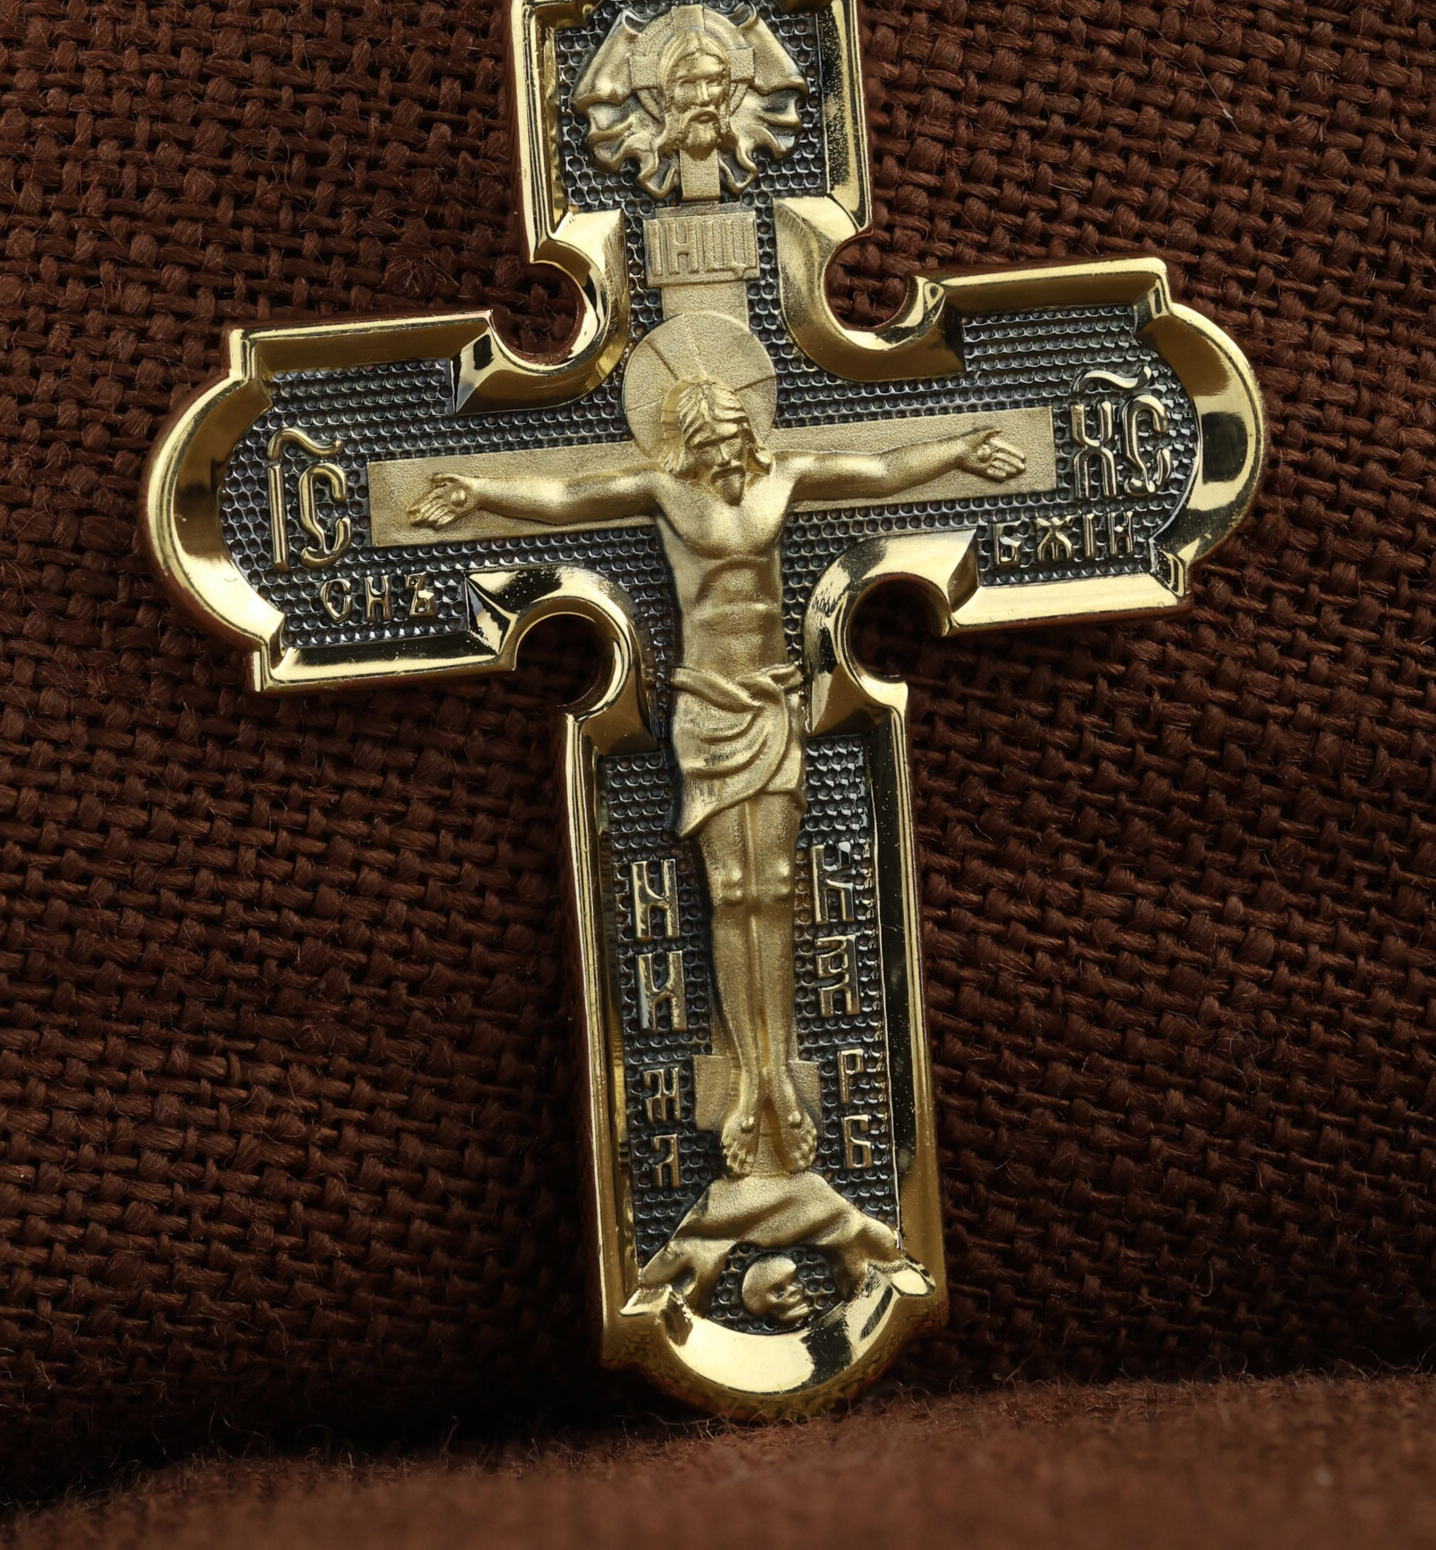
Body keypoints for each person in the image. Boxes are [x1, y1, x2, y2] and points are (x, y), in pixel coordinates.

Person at [405, 378, 1025, 1179]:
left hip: (770, 701)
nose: (729, 455)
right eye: (713, 443)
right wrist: (478, 489)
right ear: (688, 445)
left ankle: (779, 1075)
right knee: (731, 892)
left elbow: (878, 471)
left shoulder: (786, 477)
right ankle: (752, 1079)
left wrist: (961, 449)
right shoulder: (663, 491)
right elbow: (563, 498)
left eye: (736, 438)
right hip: (706, 706)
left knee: (775, 887)